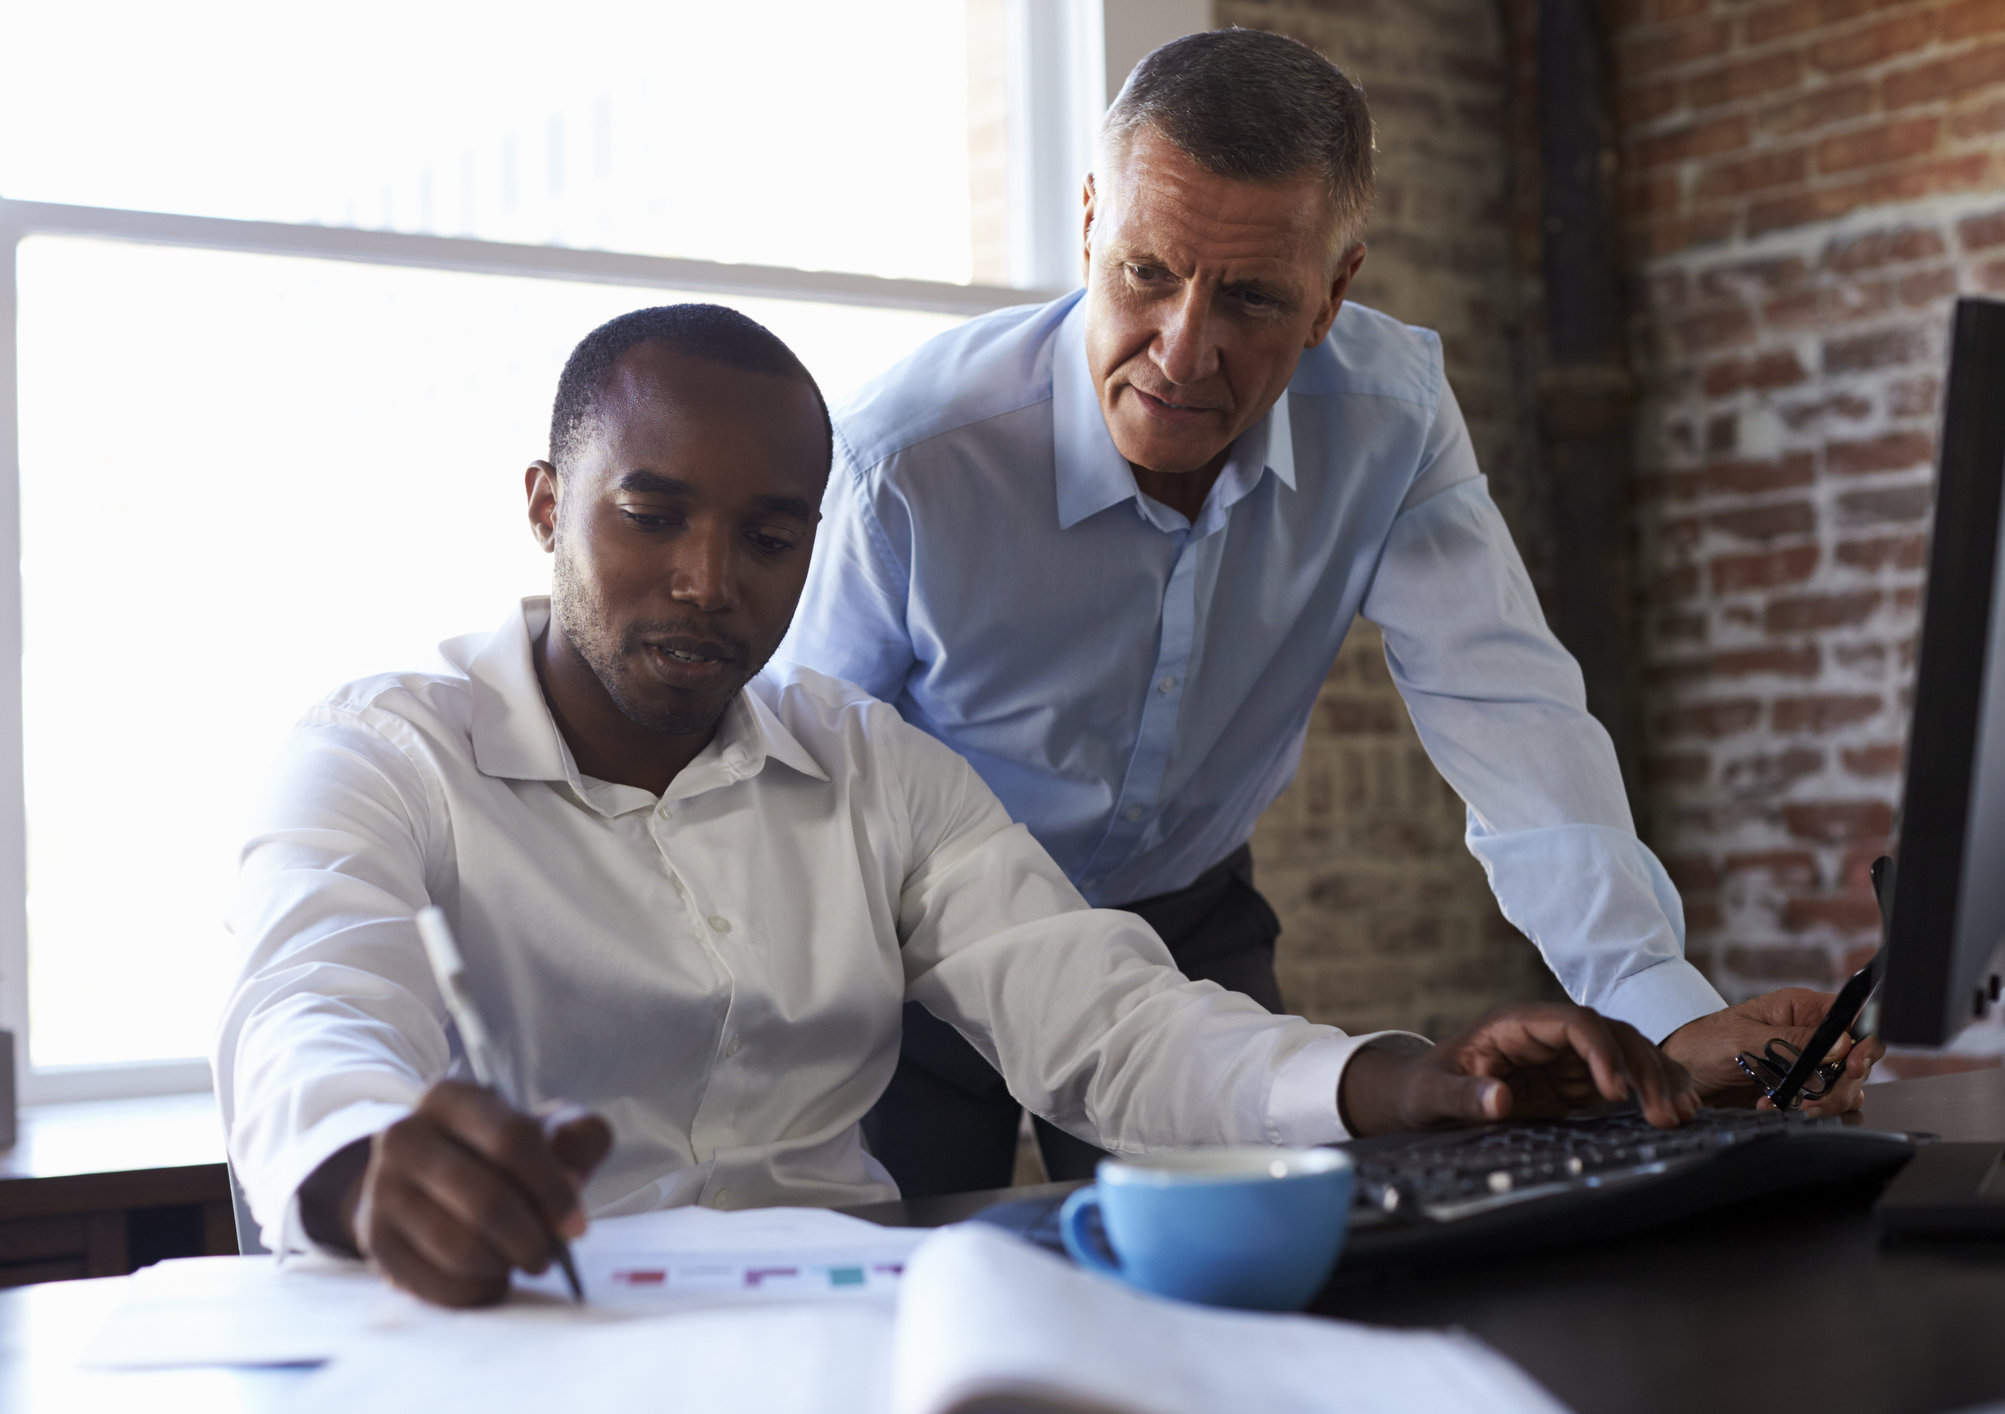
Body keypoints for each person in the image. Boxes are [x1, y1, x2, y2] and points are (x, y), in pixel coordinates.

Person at [216, 303, 1698, 1309]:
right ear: (548, 502)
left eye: (769, 534)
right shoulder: (378, 753)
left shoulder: (870, 765)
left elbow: (1110, 1022)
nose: (704, 579)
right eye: (649, 512)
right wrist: (362, 1159)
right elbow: (305, 1009)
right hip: (524, 1340)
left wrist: (1418, 1083)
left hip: (856, 1352)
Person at [777, 28, 1874, 1193]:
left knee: (1255, 1312)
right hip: (915, 959)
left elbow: (1515, 718)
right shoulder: (906, 462)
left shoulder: (1391, 418)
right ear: (1091, 221)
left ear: (1334, 292)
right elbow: (799, 793)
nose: (1182, 352)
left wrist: (1656, 1006)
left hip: (1183, 939)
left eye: (1250, 296)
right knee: (904, 1317)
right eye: (1146, 272)